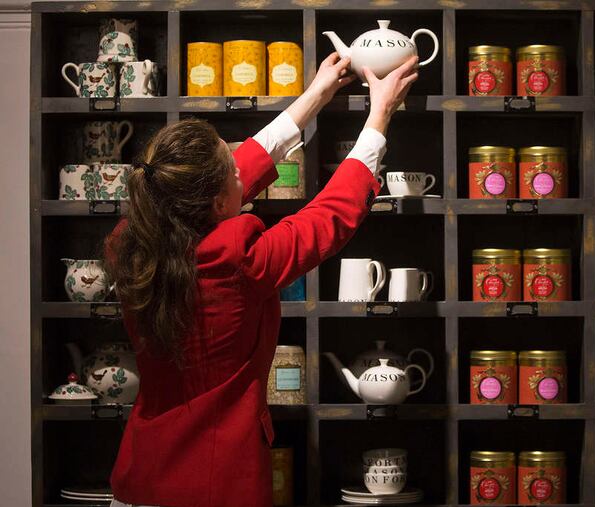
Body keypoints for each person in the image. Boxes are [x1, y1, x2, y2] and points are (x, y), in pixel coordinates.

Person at [104, 53, 419, 507]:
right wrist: (379, 117)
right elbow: (327, 218)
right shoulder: (236, 259)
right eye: (231, 168)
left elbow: (210, 180)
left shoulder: (132, 242)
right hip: (214, 487)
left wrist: (315, 96)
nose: (241, 166)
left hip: (139, 480)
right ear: (216, 203)